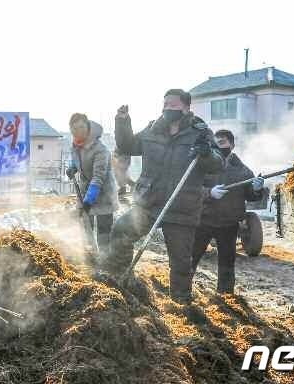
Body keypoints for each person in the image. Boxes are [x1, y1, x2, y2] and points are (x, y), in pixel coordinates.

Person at [100, 89, 225, 304]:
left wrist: (206, 153)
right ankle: (118, 279)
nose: (168, 108)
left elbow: (217, 164)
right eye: (165, 104)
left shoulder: (200, 133)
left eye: (173, 105)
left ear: (186, 108)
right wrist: (122, 122)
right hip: (149, 202)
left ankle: (180, 303)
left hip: (181, 207)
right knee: (121, 230)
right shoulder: (152, 130)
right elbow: (127, 145)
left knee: (180, 262)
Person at [190, 129, 265, 295]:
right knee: (191, 259)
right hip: (203, 220)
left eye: (223, 142)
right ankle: (182, 291)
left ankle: (225, 297)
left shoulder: (243, 171)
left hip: (228, 224)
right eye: (216, 143)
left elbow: (251, 197)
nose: (219, 146)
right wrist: (209, 192)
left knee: (226, 265)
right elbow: (191, 189)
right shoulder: (204, 165)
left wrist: (256, 188)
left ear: (232, 144)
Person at [65, 114, 118, 253]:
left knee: (103, 231)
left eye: (81, 127)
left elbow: (98, 178)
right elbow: (75, 158)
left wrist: (88, 201)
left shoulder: (100, 150)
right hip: (85, 191)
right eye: (74, 128)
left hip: (103, 194)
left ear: (88, 127)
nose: (78, 131)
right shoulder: (76, 144)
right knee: (86, 226)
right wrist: (72, 167)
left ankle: (105, 259)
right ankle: (90, 255)